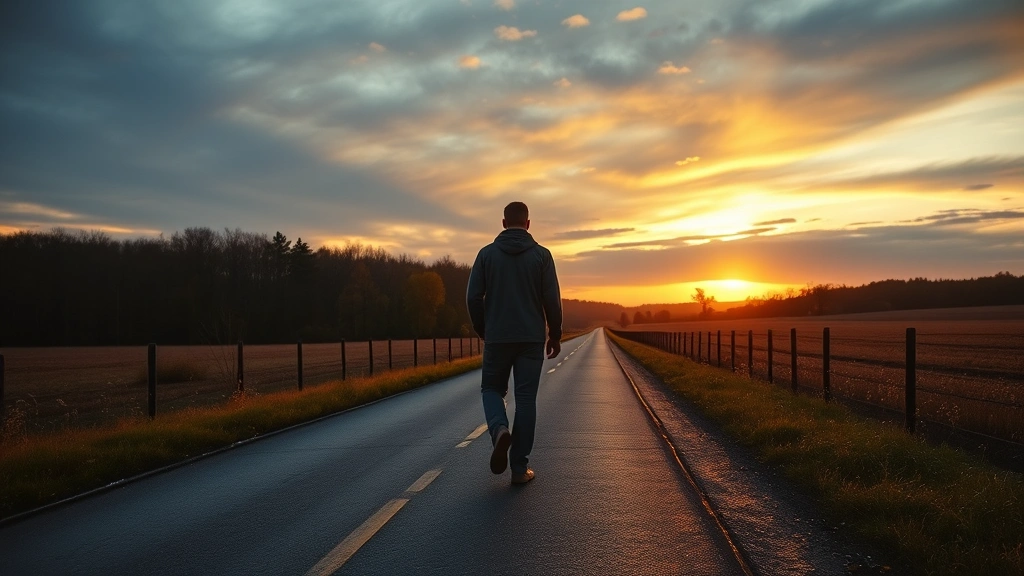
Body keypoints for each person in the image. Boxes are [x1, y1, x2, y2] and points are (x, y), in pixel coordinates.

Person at [467, 201, 562, 485]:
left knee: (490, 388)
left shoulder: (486, 255)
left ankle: (498, 430)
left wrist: (483, 328)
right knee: (525, 401)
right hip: (531, 339)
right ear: (528, 223)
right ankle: (519, 470)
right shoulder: (542, 257)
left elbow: (473, 298)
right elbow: (552, 300)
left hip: (497, 337)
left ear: (504, 223)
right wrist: (554, 334)